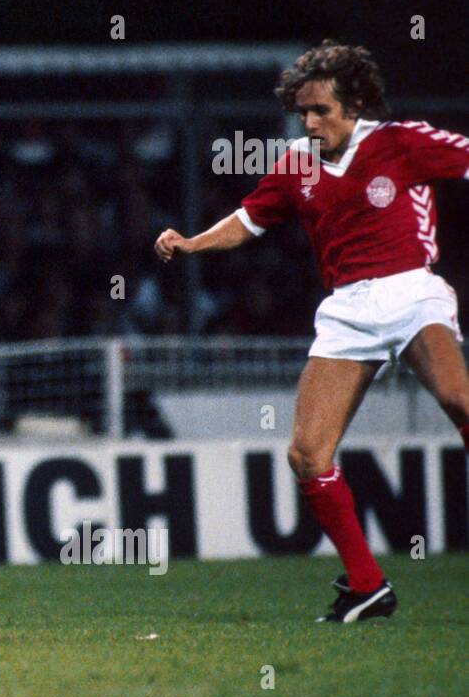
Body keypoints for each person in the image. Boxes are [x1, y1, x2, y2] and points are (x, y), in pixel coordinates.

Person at [155, 40, 469, 623]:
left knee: (460, 401)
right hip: (347, 310)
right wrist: (193, 242)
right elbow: (249, 221)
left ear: (354, 105)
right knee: (306, 453)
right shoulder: (296, 162)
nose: (310, 121)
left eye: (321, 110)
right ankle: (367, 585)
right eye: (302, 111)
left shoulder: (401, 142)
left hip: (410, 290)